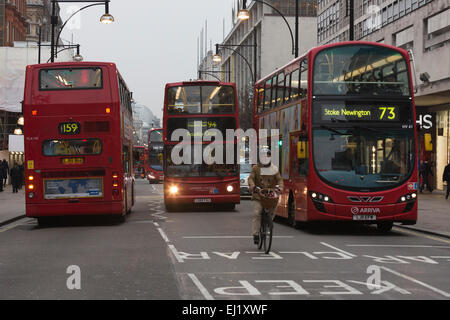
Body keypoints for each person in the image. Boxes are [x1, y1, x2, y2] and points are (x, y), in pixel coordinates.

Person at [248, 148, 283, 245]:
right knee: (257, 212)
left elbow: (279, 179)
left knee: (273, 209)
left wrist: (280, 187)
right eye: (264, 156)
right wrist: (252, 185)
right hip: (258, 195)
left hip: (269, 194)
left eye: (268, 156)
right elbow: (251, 178)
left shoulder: (274, 168)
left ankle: (269, 222)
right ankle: (255, 234)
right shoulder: (255, 168)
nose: (266, 158)